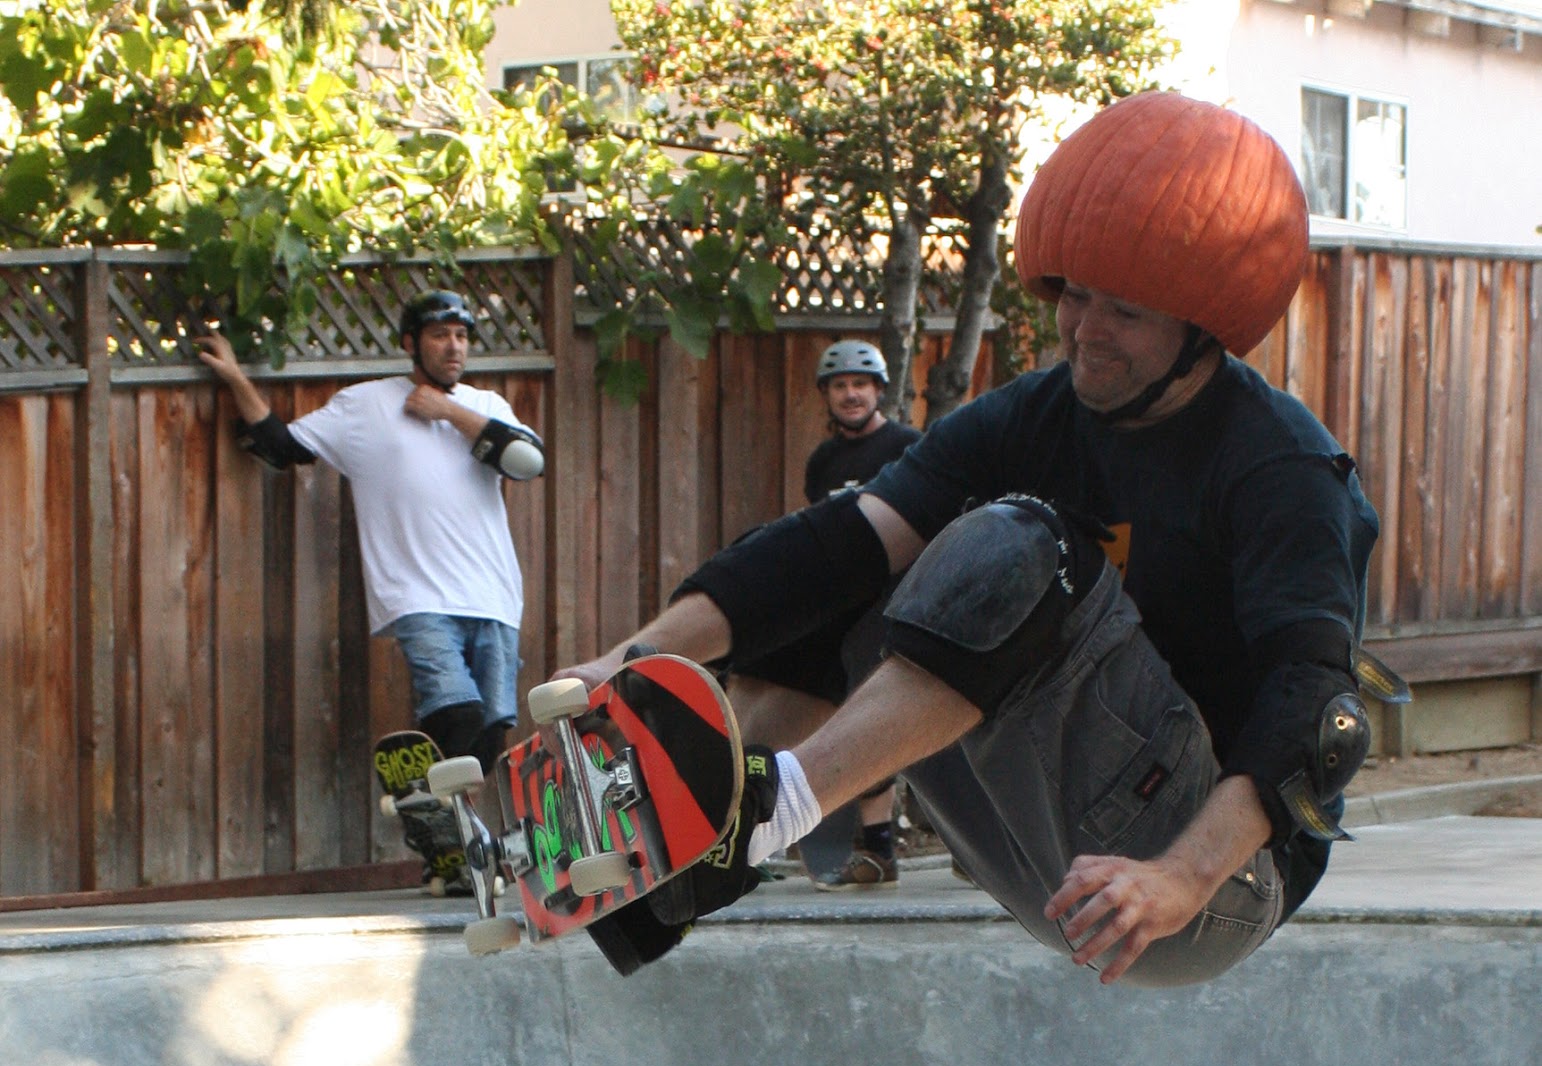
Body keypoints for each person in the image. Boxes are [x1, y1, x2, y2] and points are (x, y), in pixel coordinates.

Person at [570, 92, 1385, 987]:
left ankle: (767, 812)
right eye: (1077, 298)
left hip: (1204, 884)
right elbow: (841, 544)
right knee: (846, 564)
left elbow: (1318, 714)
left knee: (1026, 545)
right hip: (1050, 848)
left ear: (1204, 330)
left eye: (1125, 313)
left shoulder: (1279, 467)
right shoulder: (1031, 415)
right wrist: (628, 661)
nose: (1087, 335)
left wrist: (1181, 879)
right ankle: (690, 854)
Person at [196, 290, 544, 777]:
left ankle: (442, 817)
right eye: (439, 335)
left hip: (495, 595)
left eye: (462, 336)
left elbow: (529, 462)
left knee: (487, 737)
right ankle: (425, 793)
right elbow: (281, 446)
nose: (454, 347)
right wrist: (235, 376)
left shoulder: (485, 406)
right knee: (458, 712)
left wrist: (449, 412)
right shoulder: (366, 405)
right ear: (410, 343)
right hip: (418, 595)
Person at [744, 340, 920, 889]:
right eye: (840, 385)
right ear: (827, 395)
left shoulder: (906, 446)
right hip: (841, 606)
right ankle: (867, 849)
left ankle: (887, 847)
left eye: (860, 384)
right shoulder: (823, 460)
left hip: (897, 600)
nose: (851, 394)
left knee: (884, 715)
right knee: (843, 714)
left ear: (879, 391)